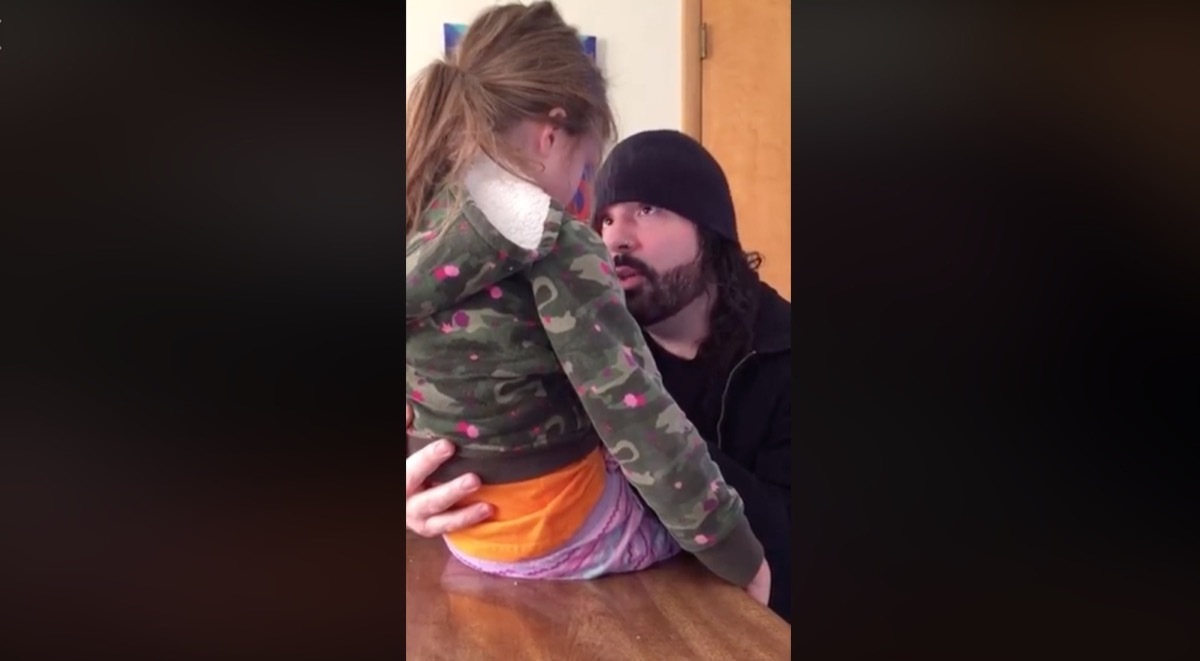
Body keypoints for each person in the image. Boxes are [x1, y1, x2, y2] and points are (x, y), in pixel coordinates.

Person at [405, 2, 770, 601]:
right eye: (592, 190)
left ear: (714, 230)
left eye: (647, 209)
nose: (612, 235)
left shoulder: (421, 230)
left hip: (476, 540)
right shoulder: (554, 247)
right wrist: (740, 557)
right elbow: (636, 415)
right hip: (554, 527)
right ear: (551, 134)